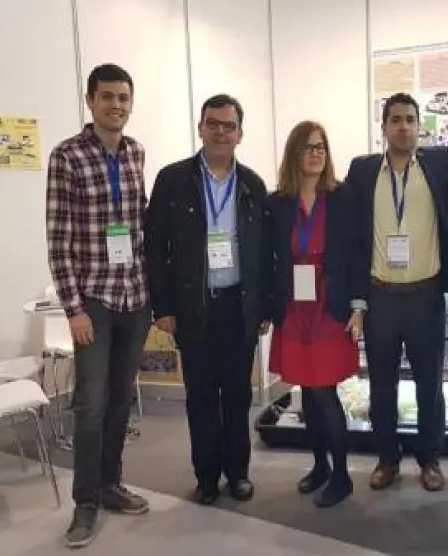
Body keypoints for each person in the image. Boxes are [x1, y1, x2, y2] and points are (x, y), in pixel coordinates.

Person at [144, 94, 271, 505]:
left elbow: (264, 252)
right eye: (213, 124)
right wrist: (162, 306)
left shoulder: (252, 184)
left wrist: (264, 307)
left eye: (228, 126)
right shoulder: (173, 180)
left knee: (237, 396)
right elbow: (154, 247)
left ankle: (238, 473)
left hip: (238, 306)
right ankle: (206, 477)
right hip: (193, 307)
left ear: (240, 134)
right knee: (200, 398)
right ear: (200, 128)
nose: (220, 132)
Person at [46, 63, 151, 549]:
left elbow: (139, 227)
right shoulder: (66, 156)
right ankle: (85, 503)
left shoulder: (135, 153)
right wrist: (73, 309)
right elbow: (59, 241)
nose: (116, 105)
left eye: (123, 97)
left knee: (120, 398)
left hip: (134, 296)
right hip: (94, 300)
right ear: (90, 101)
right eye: (107, 97)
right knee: (90, 405)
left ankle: (111, 484)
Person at [345, 92, 448, 492]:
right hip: (380, 296)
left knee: (430, 383)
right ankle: (387, 458)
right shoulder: (362, 170)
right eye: (395, 120)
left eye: (410, 120)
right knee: (381, 385)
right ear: (383, 127)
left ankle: (430, 459)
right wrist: (357, 300)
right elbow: (352, 235)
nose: (403, 127)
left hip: (425, 296)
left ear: (419, 126)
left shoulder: (440, 162)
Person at [267, 121, 362, 508]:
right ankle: (320, 465)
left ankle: (342, 476)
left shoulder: (342, 197)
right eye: (307, 147)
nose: (316, 153)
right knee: (306, 389)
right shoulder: (278, 202)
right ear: (294, 154)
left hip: (330, 305)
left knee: (324, 390)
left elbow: (356, 253)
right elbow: (268, 257)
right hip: (294, 306)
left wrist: (358, 306)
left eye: (321, 146)